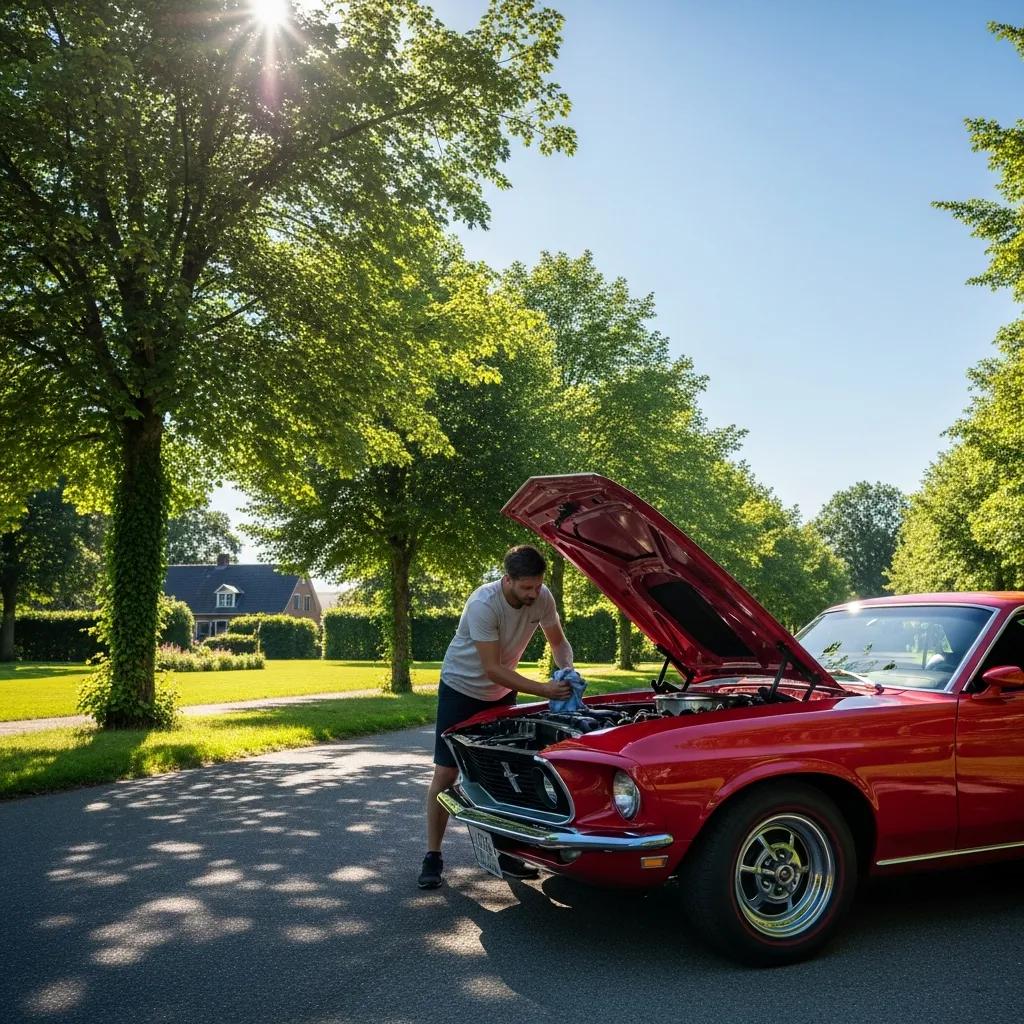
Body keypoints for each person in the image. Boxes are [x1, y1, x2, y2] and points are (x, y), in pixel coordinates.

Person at [418, 544, 574, 889]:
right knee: (446, 772)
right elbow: (492, 669)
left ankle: (507, 851)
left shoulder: (543, 597)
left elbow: (558, 642)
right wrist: (546, 690)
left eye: (537, 586)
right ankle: (433, 856)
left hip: (502, 692)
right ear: (508, 580)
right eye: (526, 588)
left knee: (505, 773)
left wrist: (569, 672)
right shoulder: (483, 604)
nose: (534, 594)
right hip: (462, 689)